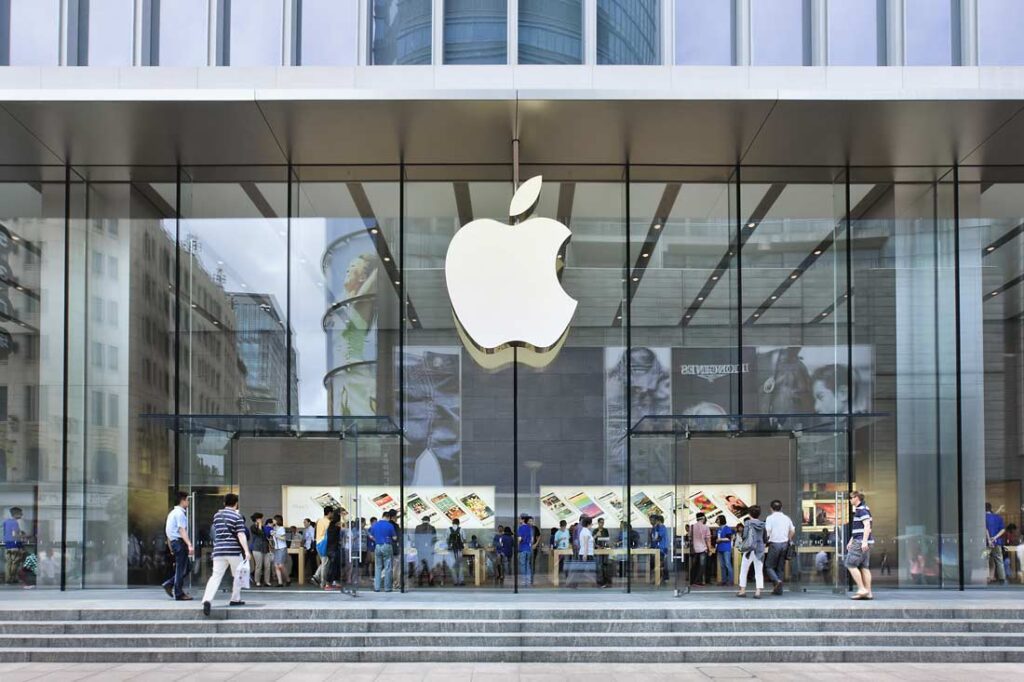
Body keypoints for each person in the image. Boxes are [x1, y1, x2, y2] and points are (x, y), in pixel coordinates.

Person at [201, 493, 252, 616]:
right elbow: (241, 534)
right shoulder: (237, 516)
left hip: (219, 551)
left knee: (215, 576)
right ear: (236, 503)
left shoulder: (217, 515)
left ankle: (207, 599)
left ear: (224, 503)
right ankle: (235, 599)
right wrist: (246, 550)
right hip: (233, 551)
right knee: (238, 575)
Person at [161, 493, 193, 600]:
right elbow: (181, 530)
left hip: (175, 543)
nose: (188, 502)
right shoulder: (180, 514)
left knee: (186, 567)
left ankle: (169, 583)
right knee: (181, 568)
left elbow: (168, 532)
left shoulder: (172, 513)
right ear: (182, 500)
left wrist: (171, 547)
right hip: (179, 542)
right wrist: (189, 544)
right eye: (187, 500)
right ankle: (178, 593)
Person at [846, 490, 874, 600]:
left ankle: (862, 589)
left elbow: (867, 526)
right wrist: (851, 541)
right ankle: (868, 592)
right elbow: (860, 528)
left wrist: (863, 541)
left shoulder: (861, 510)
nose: (850, 500)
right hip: (862, 541)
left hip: (860, 542)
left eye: (851, 498)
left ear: (857, 498)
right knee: (864, 567)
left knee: (850, 564)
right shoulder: (864, 509)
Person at [764, 499, 795, 595]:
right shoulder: (786, 518)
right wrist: (788, 539)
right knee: (780, 568)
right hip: (785, 544)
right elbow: (792, 530)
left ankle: (777, 581)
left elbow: (767, 531)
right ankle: (778, 590)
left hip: (774, 544)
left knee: (769, 566)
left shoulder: (770, 518)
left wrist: (765, 541)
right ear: (781, 508)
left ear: (771, 508)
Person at [736, 505, 766, 599]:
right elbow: (765, 538)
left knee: (744, 569)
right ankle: (758, 592)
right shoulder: (762, 524)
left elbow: (745, 536)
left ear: (749, 514)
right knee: (758, 571)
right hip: (759, 550)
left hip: (749, 549)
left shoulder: (748, 523)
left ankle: (742, 590)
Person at [369, 513, 397, 592]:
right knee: (387, 567)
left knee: (378, 567)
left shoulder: (375, 525)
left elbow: (371, 536)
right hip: (387, 545)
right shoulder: (389, 525)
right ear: (388, 517)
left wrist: (377, 540)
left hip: (377, 546)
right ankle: (387, 588)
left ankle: (377, 587)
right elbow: (394, 537)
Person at [985, 502, 1008, 585]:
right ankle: (1002, 579)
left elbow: (985, 529)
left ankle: (987, 578)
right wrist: (995, 537)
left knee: (985, 559)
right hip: (997, 543)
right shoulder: (998, 517)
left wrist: (989, 540)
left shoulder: (983, 517)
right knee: (999, 560)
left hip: (986, 545)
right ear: (991, 508)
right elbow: (1003, 530)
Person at [3, 507, 25, 585]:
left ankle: (8, 579)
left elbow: (7, 534)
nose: (22, 515)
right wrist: (24, 536)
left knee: (8, 563)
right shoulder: (15, 522)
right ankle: (12, 578)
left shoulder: (6, 522)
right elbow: (14, 535)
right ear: (16, 513)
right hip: (15, 545)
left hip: (7, 545)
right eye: (20, 513)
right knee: (15, 563)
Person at [573, 516, 595, 588]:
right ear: (588, 524)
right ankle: (595, 584)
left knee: (581, 570)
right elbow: (585, 544)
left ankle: (573, 584)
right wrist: (585, 555)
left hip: (586, 553)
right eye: (591, 524)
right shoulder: (586, 531)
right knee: (584, 571)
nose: (592, 525)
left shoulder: (585, 531)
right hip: (587, 554)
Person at [689, 513, 711, 587]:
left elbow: (689, 538)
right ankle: (697, 581)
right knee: (701, 566)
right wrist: (710, 549)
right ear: (703, 518)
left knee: (694, 565)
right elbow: (708, 539)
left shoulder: (691, 527)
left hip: (694, 549)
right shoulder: (706, 527)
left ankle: (692, 581)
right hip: (702, 549)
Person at [312, 507, 332, 586]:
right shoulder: (328, 522)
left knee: (324, 562)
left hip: (318, 543)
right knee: (325, 563)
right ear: (330, 513)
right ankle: (322, 582)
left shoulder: (319, 521)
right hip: (324, 543)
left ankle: (316, 576)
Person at [414, 515, 436, 586]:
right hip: (429, 550)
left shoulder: (418, 528)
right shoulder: (432, 528)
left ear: (422, 520)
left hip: (420, 550)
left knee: (421, 565)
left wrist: (417, 548)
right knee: (429, 565)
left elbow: (416, 539)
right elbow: (434, 540)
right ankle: (430, 582)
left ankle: (420, 582)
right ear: (429, 521)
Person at [324, 509, 343, 591]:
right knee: (332, 566)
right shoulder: (336, 525)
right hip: (334, 548)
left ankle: (335, 582)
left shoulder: (331, 525)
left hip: (331, 548)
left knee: (335, 566)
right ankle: (328, 583)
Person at [248, 513, 269, 587]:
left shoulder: (263, 527)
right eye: (261, 518)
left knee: (267, 565)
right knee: (258, 566)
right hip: (257, 548)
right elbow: (260, 534)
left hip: (265, 548)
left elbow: (265, 535)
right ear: (257, 519)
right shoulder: (253, 527)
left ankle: (267, 581)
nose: (262, 520)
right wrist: (260, 525)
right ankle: (257, 581)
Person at [714, 515, 735, 586]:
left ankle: (731, 580)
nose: (716, 521)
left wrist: (720, 539)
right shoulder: (718, 529)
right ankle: (724, 580)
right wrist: (717, 541)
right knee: (722, 565)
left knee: (727, 564)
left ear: (721, 520)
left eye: (718, 519)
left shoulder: (727, 528)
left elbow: (729, 538)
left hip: (726, 548)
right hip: (719, 548)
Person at [447, 518, 466, 586]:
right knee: (460, 565)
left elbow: (446, 540)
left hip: (451, 550)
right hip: (459, 550)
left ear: (452, 523)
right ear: (459, 523)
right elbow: (464, 540)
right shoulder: (461, 529)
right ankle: (461, 581)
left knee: (453, 565)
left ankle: (455, 581)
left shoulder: (448, 529)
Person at [270, 515, 288, 587]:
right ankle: (280, 582)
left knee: (280, 565)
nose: (273, 521)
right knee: (276, 565)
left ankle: (287, 579)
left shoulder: (281, 528)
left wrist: (275, 534)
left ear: (277, 520)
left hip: (282, 548)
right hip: (276, 548)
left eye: (274, 519)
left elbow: (283, 538)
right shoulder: (274, 528)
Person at [594, 517, 611, 587]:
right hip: (598, 550)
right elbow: (593, 540)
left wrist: (606, 546)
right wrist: (597, 546)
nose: (602, 524)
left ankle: (606, 580)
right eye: (601, 522)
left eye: (603, 522)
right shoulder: (595, 530)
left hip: (604, 549)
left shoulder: (605, 530)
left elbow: (607, 539)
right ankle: (599, 581)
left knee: (605, 565)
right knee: (599, 565)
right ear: (598, 523)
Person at [517, 514, 533, 587]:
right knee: (527, 565)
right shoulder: (530, 528)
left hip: (522, 549)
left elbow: (519, 539)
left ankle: (524, 580)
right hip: (528, 549)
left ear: (523, 520)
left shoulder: (520, 528)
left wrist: (518, 543)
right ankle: (529, 580)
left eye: (520, 519)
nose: (519, 520)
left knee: (523, 565)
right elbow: (532, 539)